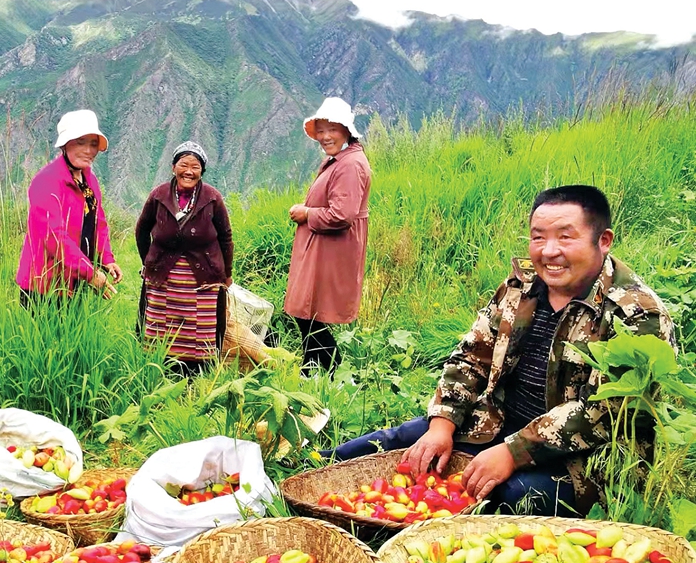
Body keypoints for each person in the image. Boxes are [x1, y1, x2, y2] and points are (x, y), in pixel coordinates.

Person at [322, 185, 675, 516]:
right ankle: (307, 473)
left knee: (514, 496)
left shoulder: (636, 314)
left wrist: (513, 452)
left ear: (604, 241)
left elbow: (606, 413)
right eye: (539, 237)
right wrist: (443, 423)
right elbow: (472, 354)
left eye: (566, 237)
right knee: (402, 441)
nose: (549, 251)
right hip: (498, 424)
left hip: (584, 457)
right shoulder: (520, 287)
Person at [284, 97, 371, 376]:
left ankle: (330, 365)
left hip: (330, 252)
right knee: (307, 312)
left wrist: (307, 213)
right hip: (323, 250)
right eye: (320, 130)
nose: (324, 137)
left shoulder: (349, 165)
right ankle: (312, 371)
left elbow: (342, 215)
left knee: (307, 312)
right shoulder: (339, 161)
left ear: (346, 130)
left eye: (331, 129)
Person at [135, 141, 233, 375]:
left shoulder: (212, 198)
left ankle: (198, 373)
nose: (189, 171)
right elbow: (141, 230)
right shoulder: (158, 196)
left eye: (195, 166)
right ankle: (160, 368)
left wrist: (227, 275)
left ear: (202, 172)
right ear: (173, 167)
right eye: (184, 164)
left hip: (203, 277)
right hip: (164, 274)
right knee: (160, 325)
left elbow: (226, 237)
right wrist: (148, 263)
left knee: (201, 329)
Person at [16, 109, 122, 306]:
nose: (89, 150)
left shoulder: (89, 179)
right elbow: (54, 237)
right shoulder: (47, 181)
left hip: (76, 281)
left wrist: (106, 258)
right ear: (65, 144)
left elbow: (98, 223)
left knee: (75, 334)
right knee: (46, 337)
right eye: (81, 142)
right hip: (45, 286)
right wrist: (90, 274)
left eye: (93, 144)